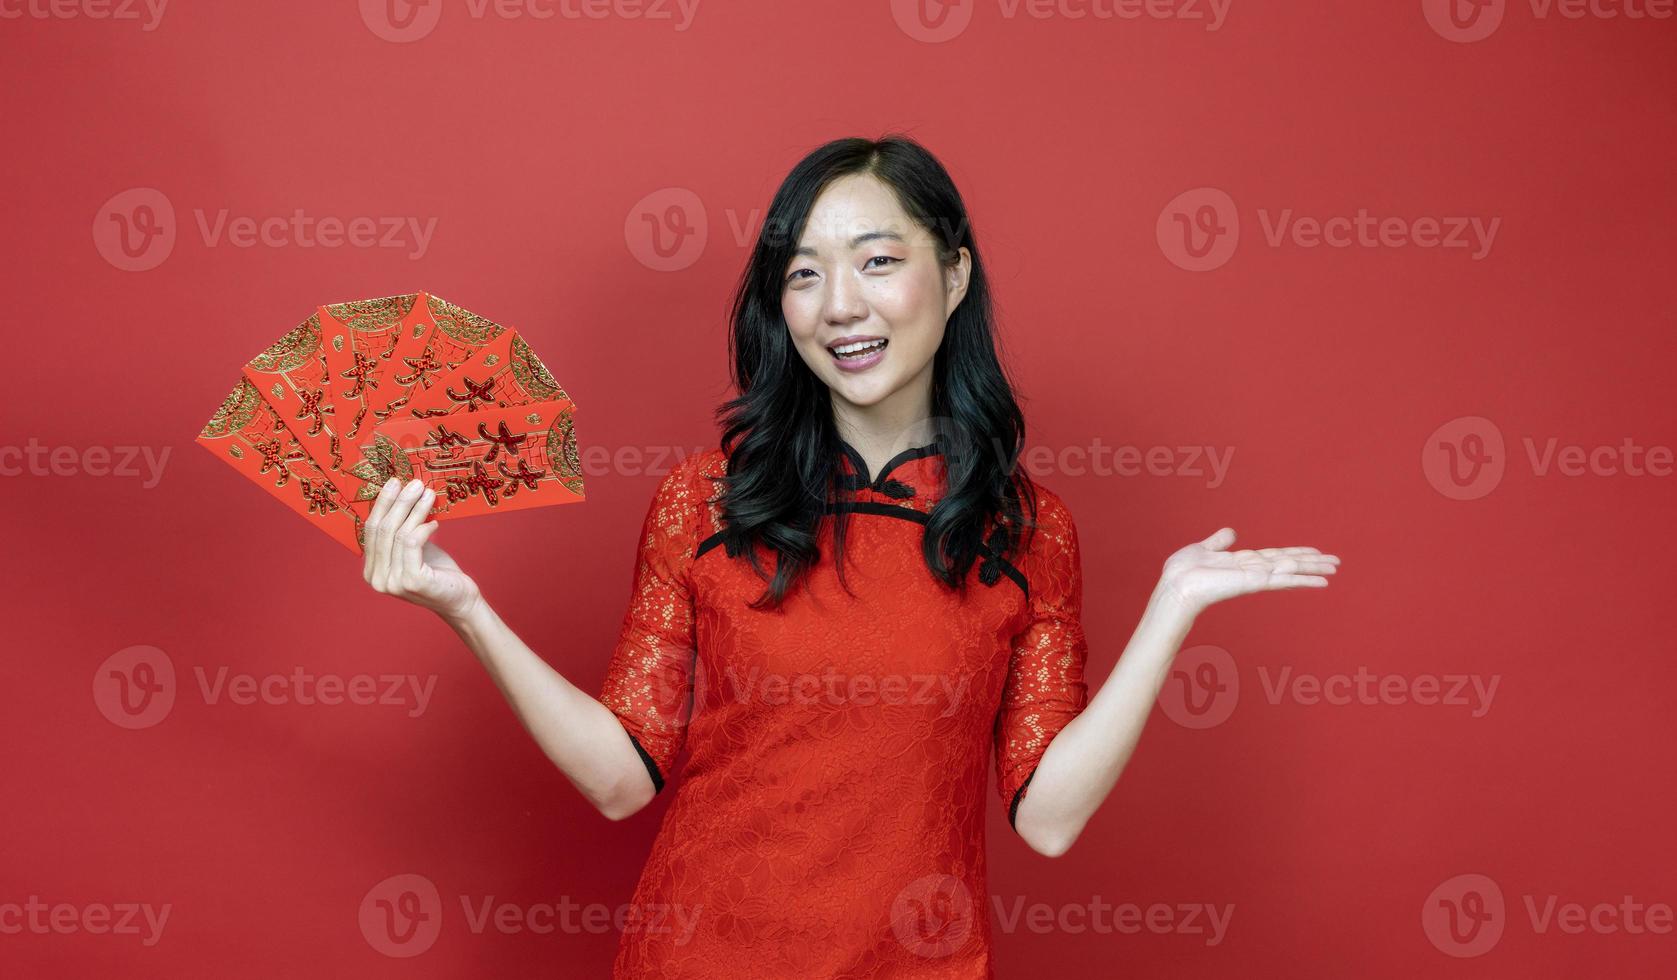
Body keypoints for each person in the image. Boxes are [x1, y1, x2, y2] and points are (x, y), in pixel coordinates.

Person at [358, 134, 1340, 977]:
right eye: (803, 271)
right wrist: (465, 608)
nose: (838, 304)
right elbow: (621, 775)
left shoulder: (1025, 529)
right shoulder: (704, 501)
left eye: (876, 261)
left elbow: (1048, 816)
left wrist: (1171, 607)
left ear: (953, 274)